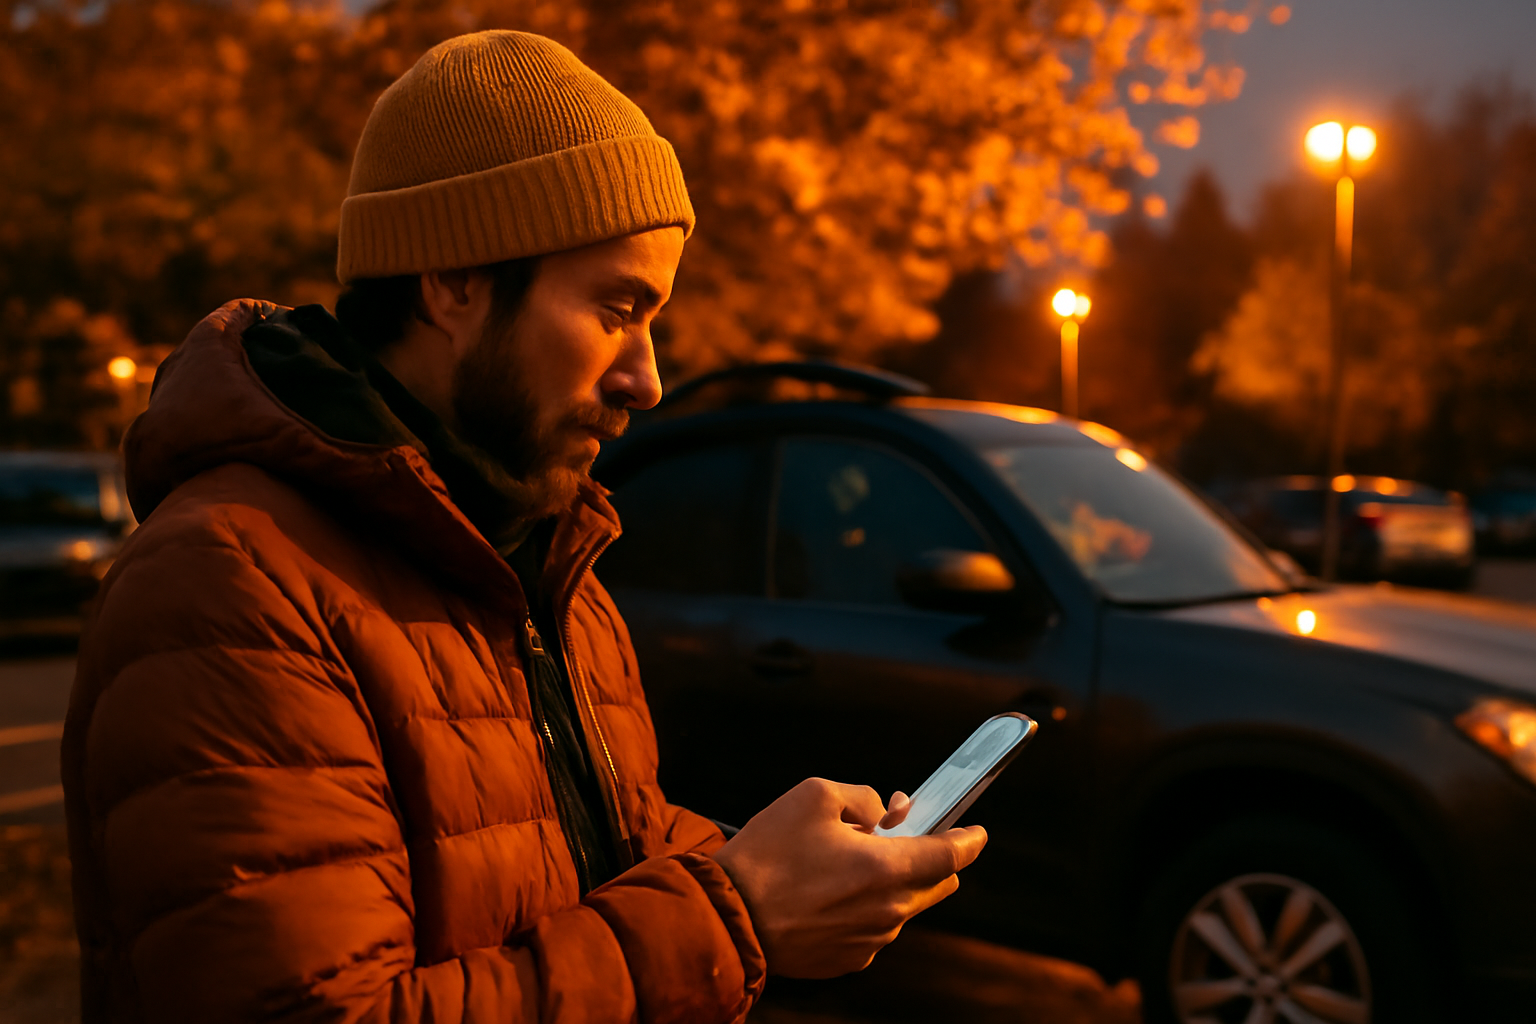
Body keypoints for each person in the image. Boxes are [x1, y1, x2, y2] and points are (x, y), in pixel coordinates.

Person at [61, 30, 986, 1023]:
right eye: (615, 308)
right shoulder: (227, 585)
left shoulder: (545, 560)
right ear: (454, 281)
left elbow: (573, 859)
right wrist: (737, 918)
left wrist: (763, 859)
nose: (648, 378)